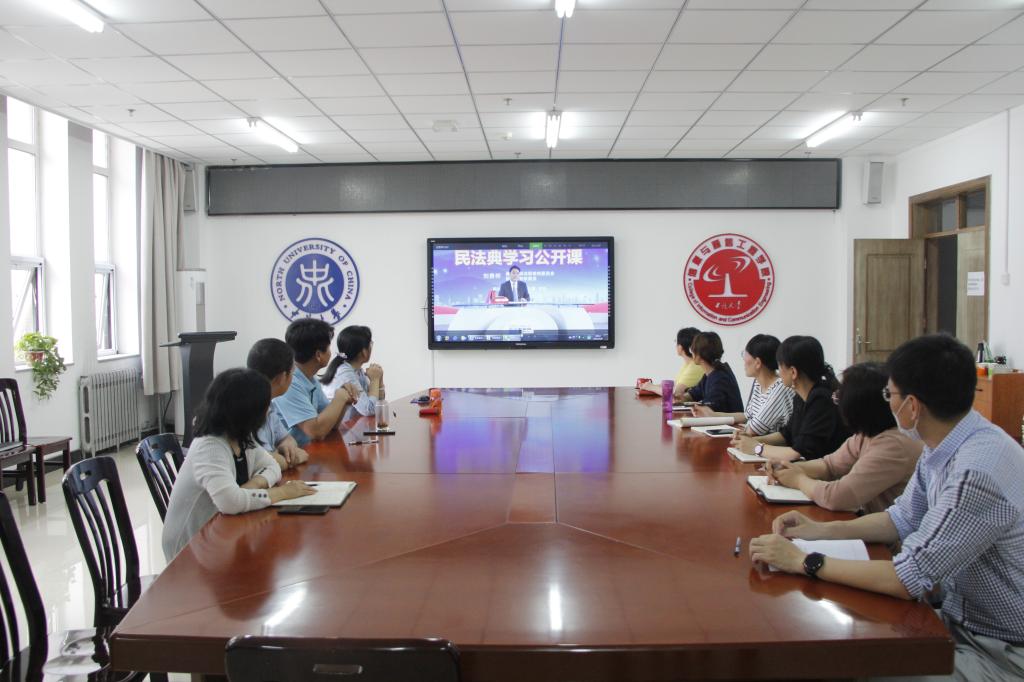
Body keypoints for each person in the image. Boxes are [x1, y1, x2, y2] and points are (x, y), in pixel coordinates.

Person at [750, 334, 1024, 682]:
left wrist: (804, 561)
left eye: (888, 395)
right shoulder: (944, 444)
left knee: (847, 667)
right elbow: (901, 518)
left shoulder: (976, 472)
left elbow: (908, 578)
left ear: (912, 406)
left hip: (1000, 650)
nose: (886, 403)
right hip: (957, 622)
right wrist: (819, 530)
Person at [161, 368, 316, 560]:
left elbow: (273, 467)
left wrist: (252, 485)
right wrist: (282, 493)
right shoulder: (209, 446)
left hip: (220, 536)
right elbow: (230, 502)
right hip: (190, 551)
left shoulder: (240, 437)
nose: (268, 411)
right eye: (265, 406)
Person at [768, 362, 923, 514]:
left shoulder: (893, 445)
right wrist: (789, 468)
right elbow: (829, 466)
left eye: (839, 398)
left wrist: (798, 480)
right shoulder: (866, 434)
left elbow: (836, 497)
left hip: (882, 528)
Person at [732, 335, 848, 462]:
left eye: (780, 366)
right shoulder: (801, 395)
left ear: (793, 372)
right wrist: (750, 440)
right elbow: (786, 434)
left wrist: (757, 448)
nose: (778, 372)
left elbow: (799, 452)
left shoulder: (821, 400)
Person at [274, 318, 359, 446]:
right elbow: (316, 431)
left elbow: (331, 425)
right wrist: (339, 398)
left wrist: (344, 400)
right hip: (293, 455)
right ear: (318, 355)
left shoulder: (310, 379)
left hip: (309, 450)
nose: (331, 352)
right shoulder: (289, 383)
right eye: (329, 347)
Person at [694, 333, 793, 435]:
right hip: (756, 440)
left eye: (745, 354)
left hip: (765, 443)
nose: (743, 360)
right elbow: (747, 416)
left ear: (758, 363)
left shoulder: (780, 388)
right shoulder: (758, 383)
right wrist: (712, 415)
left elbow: (754, 430)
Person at [245, 338, 309, 471]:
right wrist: (293, 458)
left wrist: (288, 446)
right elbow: (264, 462)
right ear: (282, 377)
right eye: (292, 373)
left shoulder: (269, 405)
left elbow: (287, 438)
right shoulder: (249, 409)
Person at [320, 325, 385, 419]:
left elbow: (379, 404)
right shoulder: (345, 373)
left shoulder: (357, 370)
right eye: (370, 343)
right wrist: (375, 380)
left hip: (353, 425)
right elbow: (369, 409)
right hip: (340, 427)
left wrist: (380, 380)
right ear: (364, 352)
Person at [680, 331, 743, 413]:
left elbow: (709, 408)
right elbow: (694, 393)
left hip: (725, 421)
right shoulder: (711, 374)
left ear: (699, 356)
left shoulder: (720, 379)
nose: (692, 354)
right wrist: (681, 397)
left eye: (692, 350)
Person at [673, 327, 704, 398]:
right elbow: (674, 385)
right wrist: (649, 386)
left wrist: (651, 387)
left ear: (680, 347)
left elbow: (676, 392)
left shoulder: (696, 366)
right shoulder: (688, 364)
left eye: (676, 342)